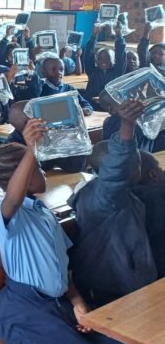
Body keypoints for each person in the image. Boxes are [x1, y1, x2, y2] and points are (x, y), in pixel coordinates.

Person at [0, 121, 150, 344]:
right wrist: (31, 150)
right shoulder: (9, 213)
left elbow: (61, 265)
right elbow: (12, 199)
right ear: (23, 177)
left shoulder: (43, 213)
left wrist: (78, 303)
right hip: (23, 311)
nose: (43, 171)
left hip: (57, 303)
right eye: (38, 168)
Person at [69, 100, 158, 306]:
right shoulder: (105, 197)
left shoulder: (114, 194)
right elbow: (117, 166)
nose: (139, 167)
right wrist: (127, 125)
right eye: (136, 164)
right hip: (111, 287)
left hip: (126, 281)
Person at [7, 101, 86, 173]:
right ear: (30, 123)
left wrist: (71, 137)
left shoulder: (50, 135)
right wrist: (34, 148)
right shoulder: (11, 150)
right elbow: (30, 175)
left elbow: (75, 167)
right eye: (40, 113)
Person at [83, 22, 127, 101]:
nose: (104, 61)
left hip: (110, 104)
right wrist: (94, 35)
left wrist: (118, 34)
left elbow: (121, 53)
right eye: (100, 58)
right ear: (96, 60)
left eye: (108, 58)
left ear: (114, 60)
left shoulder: (117, 71)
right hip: (92, 103)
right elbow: (88, 53)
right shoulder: (92, 71)